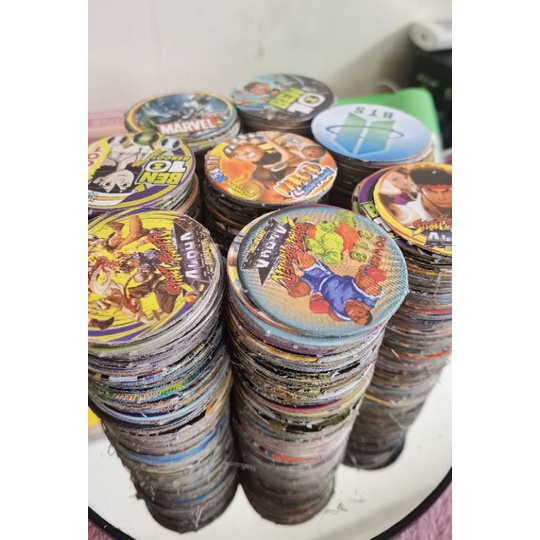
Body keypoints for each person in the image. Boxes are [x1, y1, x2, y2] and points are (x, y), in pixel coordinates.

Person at [284, 251, 385, 326]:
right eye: (359, 314)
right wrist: (369, 273)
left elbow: (324, 307)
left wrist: (318, 302)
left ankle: (286, 270)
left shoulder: (340, 315)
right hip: (324, 275)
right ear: (363, 309)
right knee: (301, 259)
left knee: (294, 292)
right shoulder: (367, 298)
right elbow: (369, 285)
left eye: (355, 319)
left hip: (317, 287)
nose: (353, 315)